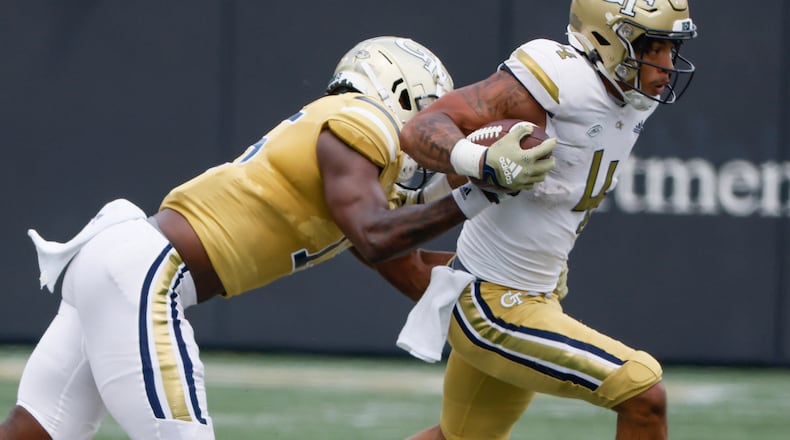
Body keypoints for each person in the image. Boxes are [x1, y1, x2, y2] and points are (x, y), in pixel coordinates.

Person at [0, 35, 557, 440]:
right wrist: (476, 191)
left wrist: (516, 285)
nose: (433, 134)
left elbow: (412, 271)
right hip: (144, 275)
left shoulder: (357, 171)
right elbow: (374, 237)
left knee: (36, 429)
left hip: (119, 266)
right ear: (405, 96)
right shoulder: (361, 125)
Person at [397, 1, 698, 439]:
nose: (667, 65)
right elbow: (422, 128)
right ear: (605, 39)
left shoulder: (632, 92)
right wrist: (480, 160)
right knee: (642, 390)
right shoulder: (558, 78)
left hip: (537, 290)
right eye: (653, 47)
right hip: (492, 303)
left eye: (672, 48)